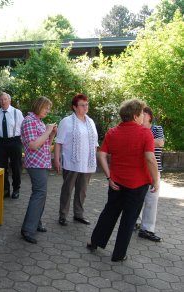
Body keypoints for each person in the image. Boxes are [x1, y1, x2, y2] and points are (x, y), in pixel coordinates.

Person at [87, 99, 159, 262]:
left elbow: (101, 155)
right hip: (138, 184)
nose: (143, 117)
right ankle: (118, 254)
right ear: (135, 116)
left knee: (109, 212)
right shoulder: (145, 133)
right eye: (141, 114)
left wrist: (109, 176)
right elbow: (150, 158)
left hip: (116, 182)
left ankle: (94, 242)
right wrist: (155, 180)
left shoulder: (113, 132)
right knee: (129, 219)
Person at [54, 94, 99, 226]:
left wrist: (93, 158)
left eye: (87, 104)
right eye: (82, 105)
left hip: (87, 163)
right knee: (67, 189)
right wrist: (57, 160)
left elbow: (95, 143)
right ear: (74, 107)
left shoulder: (90, 122)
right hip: (71, 162)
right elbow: (58, 142)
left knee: (82, 190)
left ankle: (78, 214)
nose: (86, 107)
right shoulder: (66, 122)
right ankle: (63, 215)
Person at [20, 96, 57, 244]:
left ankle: (36, 223)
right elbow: (33, 145)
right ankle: (27, 229)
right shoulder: (29, 121)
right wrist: (48, 131)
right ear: (38, 106)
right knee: (39, 194)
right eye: (46, 107)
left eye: (49, 108)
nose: (48, 110)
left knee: (41, 194)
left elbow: (45, 145)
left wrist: (52, 133)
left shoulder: (38, 122)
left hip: (42, 163)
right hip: (35, 163)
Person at [137, 107, 164, 242]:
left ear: (149, 116)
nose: (142, 115)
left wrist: (144, 143)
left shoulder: (156, 128)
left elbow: (160, 142)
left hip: (154, 168)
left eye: (144, 113)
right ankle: (136, 222)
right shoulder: (136, 128)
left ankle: (147, 229)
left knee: (152, 200)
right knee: (137, 198)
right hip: (139, 169)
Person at [0, 92, 24, 199]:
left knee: (16, 166)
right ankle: (5, 190)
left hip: (14, 141)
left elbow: (23, 127)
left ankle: (16, 189)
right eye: (1, 100)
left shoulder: (17, 112)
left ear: (9, 100)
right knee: (2, 167)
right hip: (1, 142)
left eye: (5, 99)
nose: (3, 101)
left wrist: (22, 141)